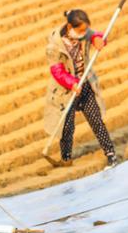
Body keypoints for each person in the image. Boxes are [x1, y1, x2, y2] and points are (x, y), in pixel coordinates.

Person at [44, 9, 118, 169]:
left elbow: (95, 35)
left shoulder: (83, 32)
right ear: (70, 26)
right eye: (81, 30)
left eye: (85, 30)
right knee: (67, 126)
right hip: (66, 90)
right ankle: (66, 158)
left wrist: (98, 40)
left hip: (84, 84)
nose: (83, 33)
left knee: (96, 120)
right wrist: (71, 83)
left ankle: (111, 154)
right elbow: (57, 71)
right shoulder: (54, 45)